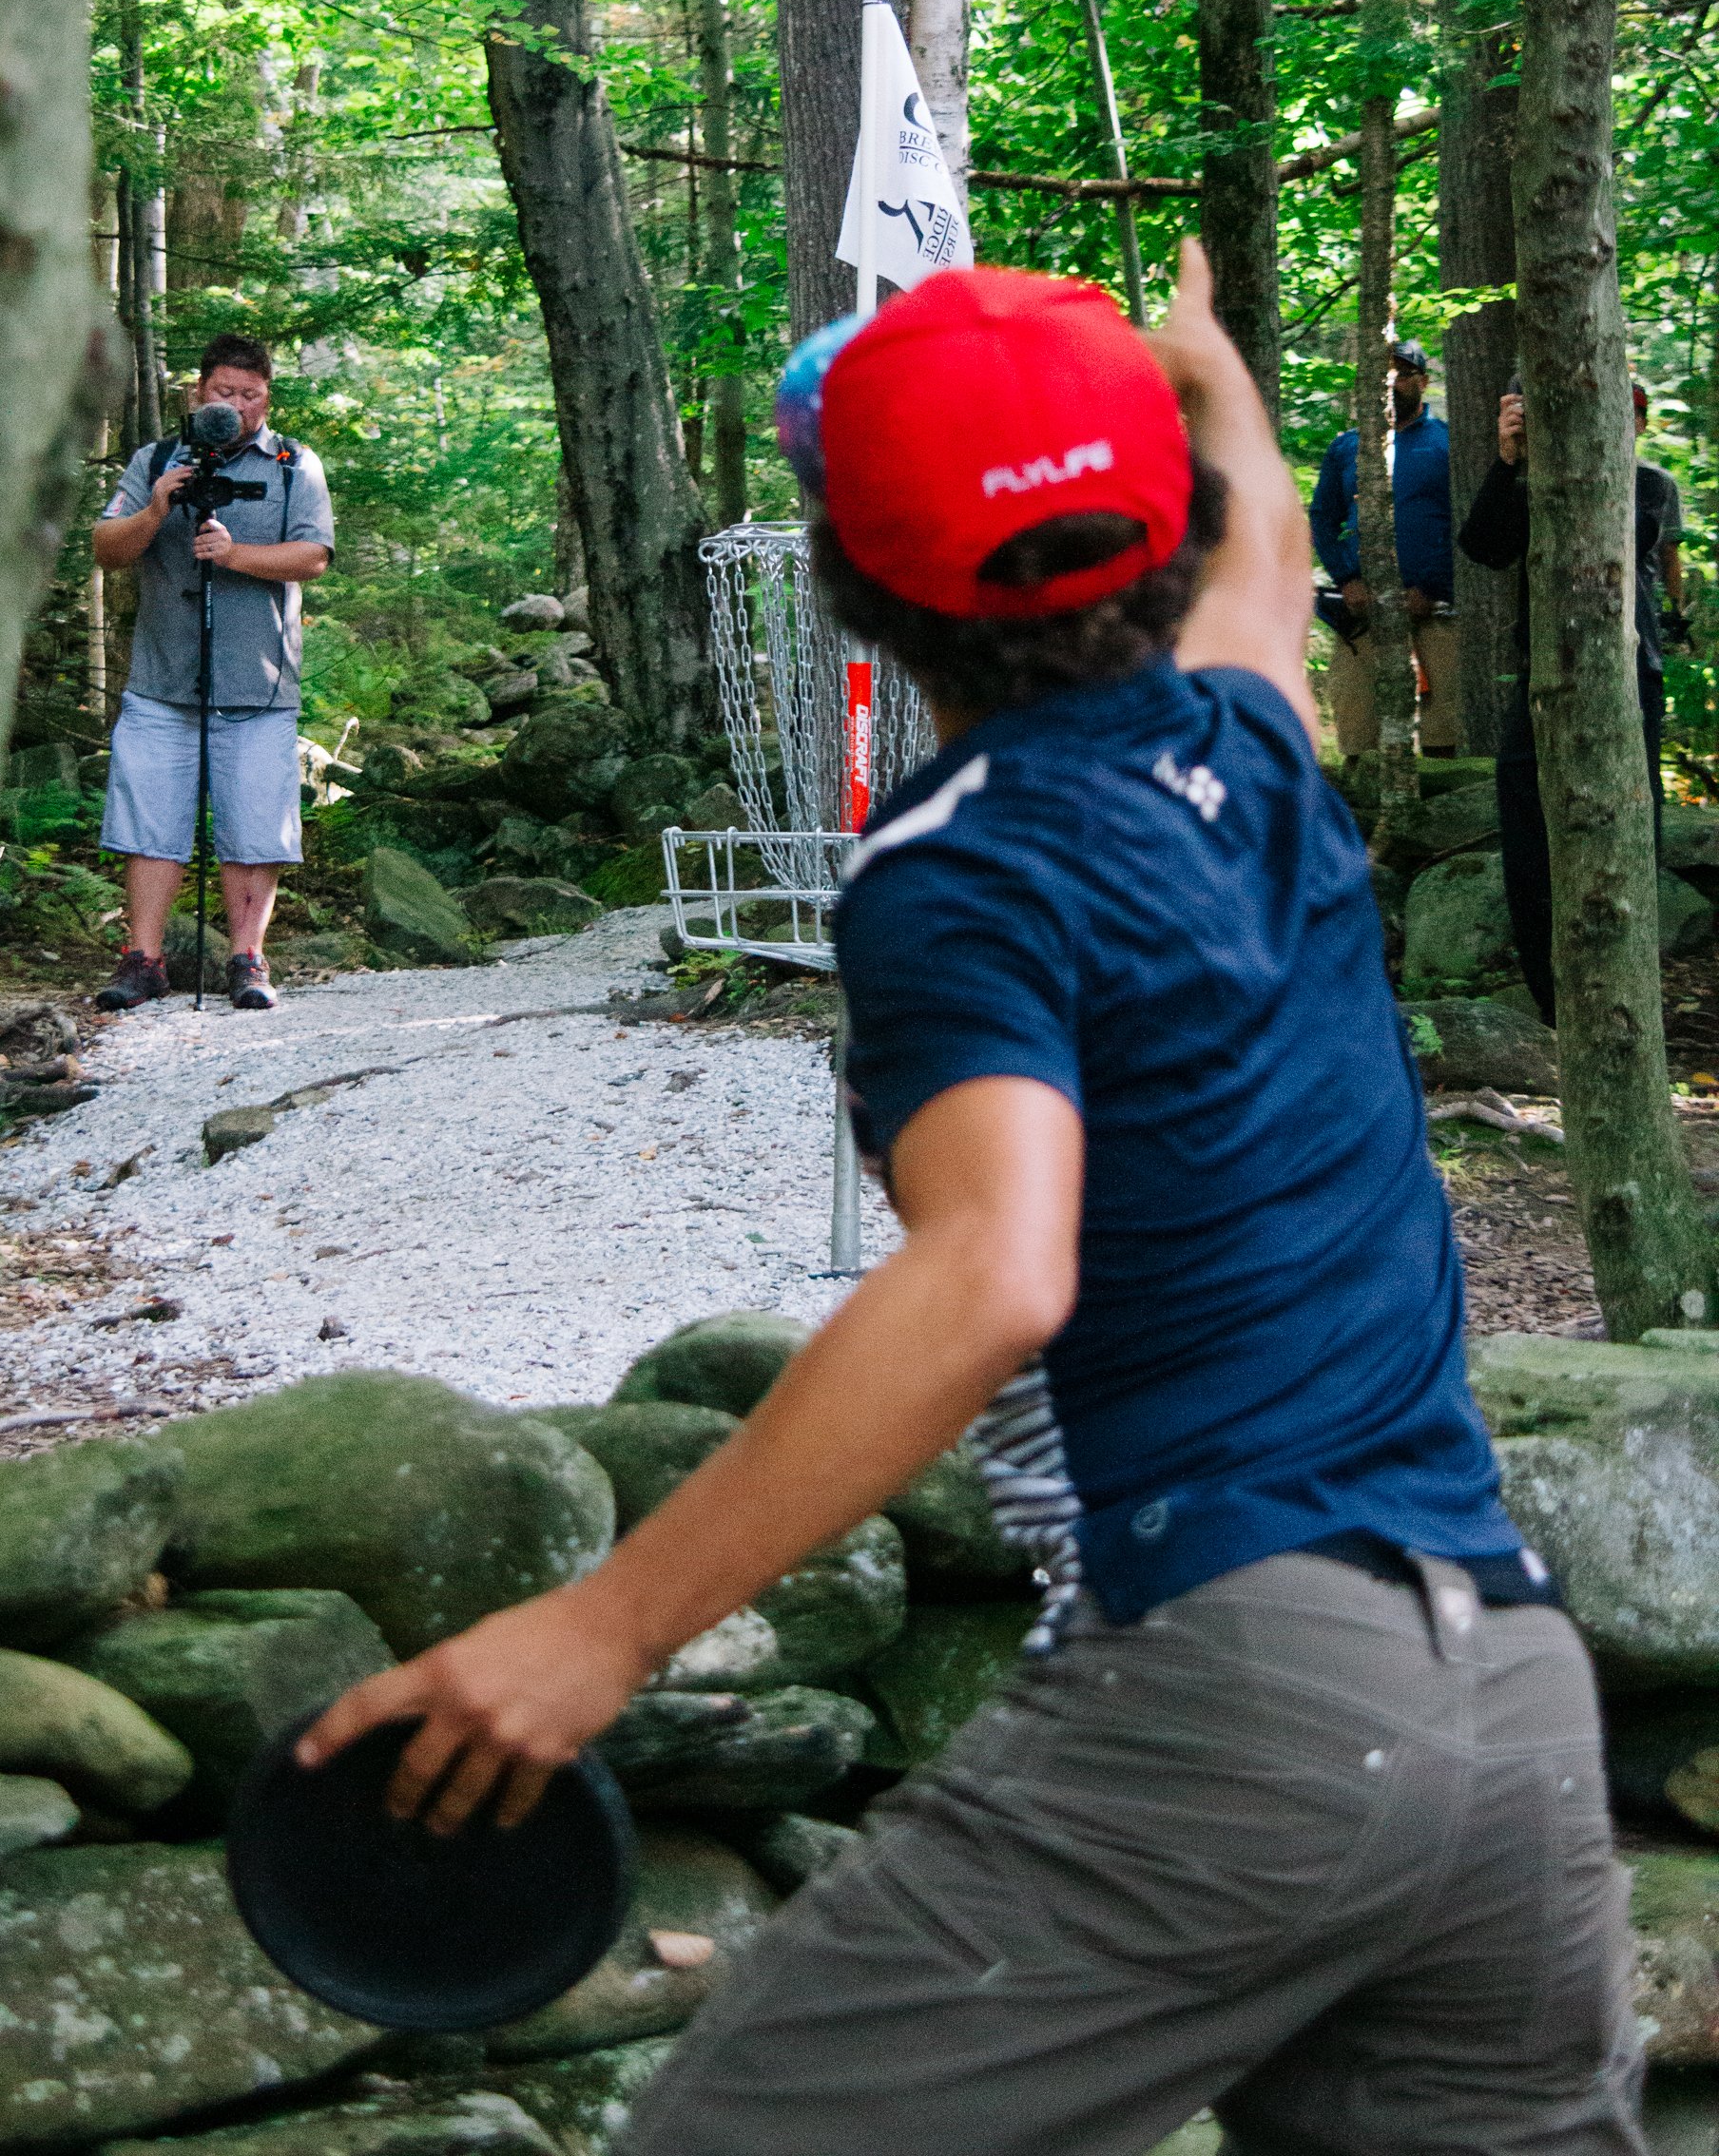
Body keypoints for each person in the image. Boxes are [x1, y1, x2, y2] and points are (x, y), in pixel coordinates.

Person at [299, 247, 1638, 2155]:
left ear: (850, 584)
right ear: (1159, 525)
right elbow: (1258, 529)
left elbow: (998, 1272)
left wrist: (599, 1628)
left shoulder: (964, 868)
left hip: (1241, 1693)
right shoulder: (1250, 745)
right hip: (1505, 1694)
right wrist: (1190, 356)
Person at [91, 335, 334, 1012]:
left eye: (250, 395)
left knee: (256, 827)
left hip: (258, 685)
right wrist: (156, 507)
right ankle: (143, 960)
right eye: (224, 392)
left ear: (267, 398)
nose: (236, 406)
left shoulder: (293, 463)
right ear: (199, 391)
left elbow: (314, 555)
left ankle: (247, 960)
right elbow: (105, 549)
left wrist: (234, 555)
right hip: (162, 682)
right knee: (148, 824)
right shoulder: (157, 459)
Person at [1458, 376, 1683, 1027]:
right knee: (1526, 822)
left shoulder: (1648, 485)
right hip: (1544, 677)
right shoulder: (1529, 479)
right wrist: (1510, 462)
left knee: (1635, 830)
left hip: (1630, 672)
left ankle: (1631, 994)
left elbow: (1634, 542)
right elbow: (1484, 547)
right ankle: (1554, 1004)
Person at [1308, 337, 1459, 760]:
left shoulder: (1448, 444)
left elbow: (1464, 525)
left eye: (1402, 374)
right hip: (1364, 611)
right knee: (1357, 723)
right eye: (1381, 376)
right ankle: (1361, 813)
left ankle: (1445, 817)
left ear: (1423, 381)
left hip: (1434, 611)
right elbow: (1322, 518)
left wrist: (1434, 589)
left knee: (1442, 725)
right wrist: (1347, 579)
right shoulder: (1347, 447)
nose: (1391, 384)